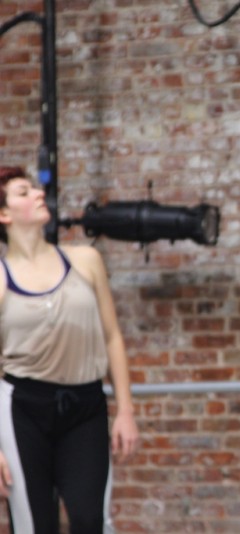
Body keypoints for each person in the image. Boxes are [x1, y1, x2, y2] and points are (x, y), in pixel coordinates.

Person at [0, 165, 139, 533]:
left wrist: (125, 410)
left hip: (85, 406)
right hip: (22, 409)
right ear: (4, 213)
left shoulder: (85, 261)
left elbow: (112, 336)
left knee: (90, 520)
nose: (37, 193)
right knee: (33, 525)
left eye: (35, 188)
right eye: (23, 192)